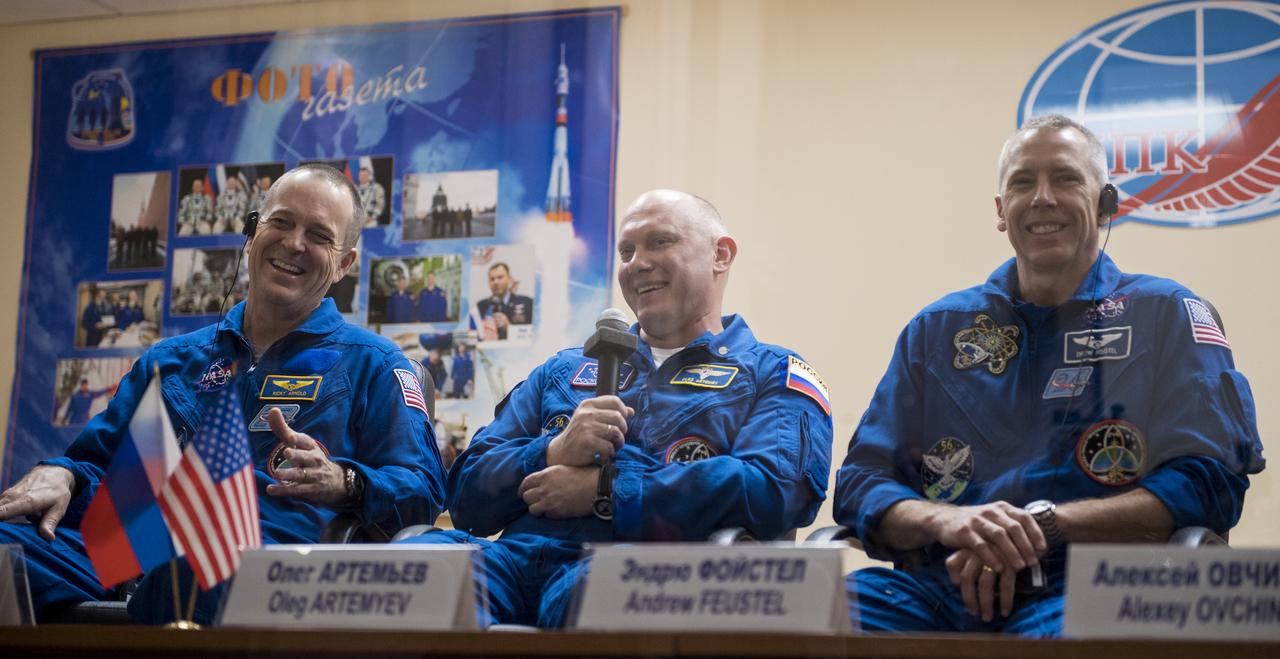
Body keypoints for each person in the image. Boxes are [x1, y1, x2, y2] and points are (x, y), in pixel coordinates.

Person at [835, 115, 1266, 637]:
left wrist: (1043, 527)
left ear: (1107, 202)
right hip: (940, 585)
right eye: (1022, 182)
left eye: (1065, 179)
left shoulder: (1166, 313)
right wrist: (948, 522)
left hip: (1091, 586)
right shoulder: (936, 329)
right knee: (806, 620)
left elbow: (1210, 481)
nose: (1042, 198)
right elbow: (862, 482)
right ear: (1000, 212)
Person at [0, 164, 447, 625]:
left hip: (272, 571)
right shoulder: (171, 361)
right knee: (5, 550)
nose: (294, 243)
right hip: (131, 551)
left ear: (344, 264)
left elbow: (424, 490)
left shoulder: (374, 363)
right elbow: (102, 466)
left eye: (318, 235)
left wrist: (344, 481)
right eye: (281, 222)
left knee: (195, 574)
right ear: (252, 233)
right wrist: (63, 474)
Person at [399, 189, 834, 628]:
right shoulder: (562, 370)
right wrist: (551, 451)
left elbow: (778, 489)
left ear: (721, 255)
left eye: (660, 242)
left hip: (643, 571)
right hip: (512, 562)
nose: (637, 263)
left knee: (601, 597)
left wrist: (608, 490)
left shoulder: (772, 373)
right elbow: (467, 493)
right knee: (403, 573)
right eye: (626, 250)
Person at [475, 263, 533, 340]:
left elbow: (534, 334)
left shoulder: (527, 303)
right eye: (492, 279)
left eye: (500, 277)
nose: (495, 282)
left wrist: (509, 327)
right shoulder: (480, 307)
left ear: (509, 279)